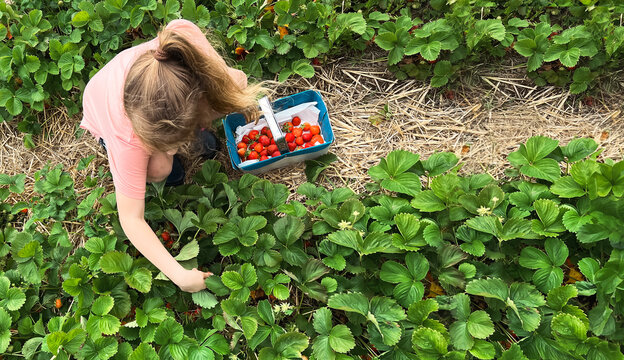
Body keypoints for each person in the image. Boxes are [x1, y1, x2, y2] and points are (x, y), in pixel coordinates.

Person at [80, 19, 261, 293]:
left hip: (156, 94)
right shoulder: (125, 137)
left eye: (180, 140)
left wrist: (235, 101)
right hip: (103, 107)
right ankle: (158, 161)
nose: (177, 148)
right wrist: (179, 274)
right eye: (172, 144)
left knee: (209, 130)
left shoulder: (183, 40)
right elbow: (131, 218)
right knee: (164, 170)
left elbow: (230, 82)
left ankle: (184, 133)